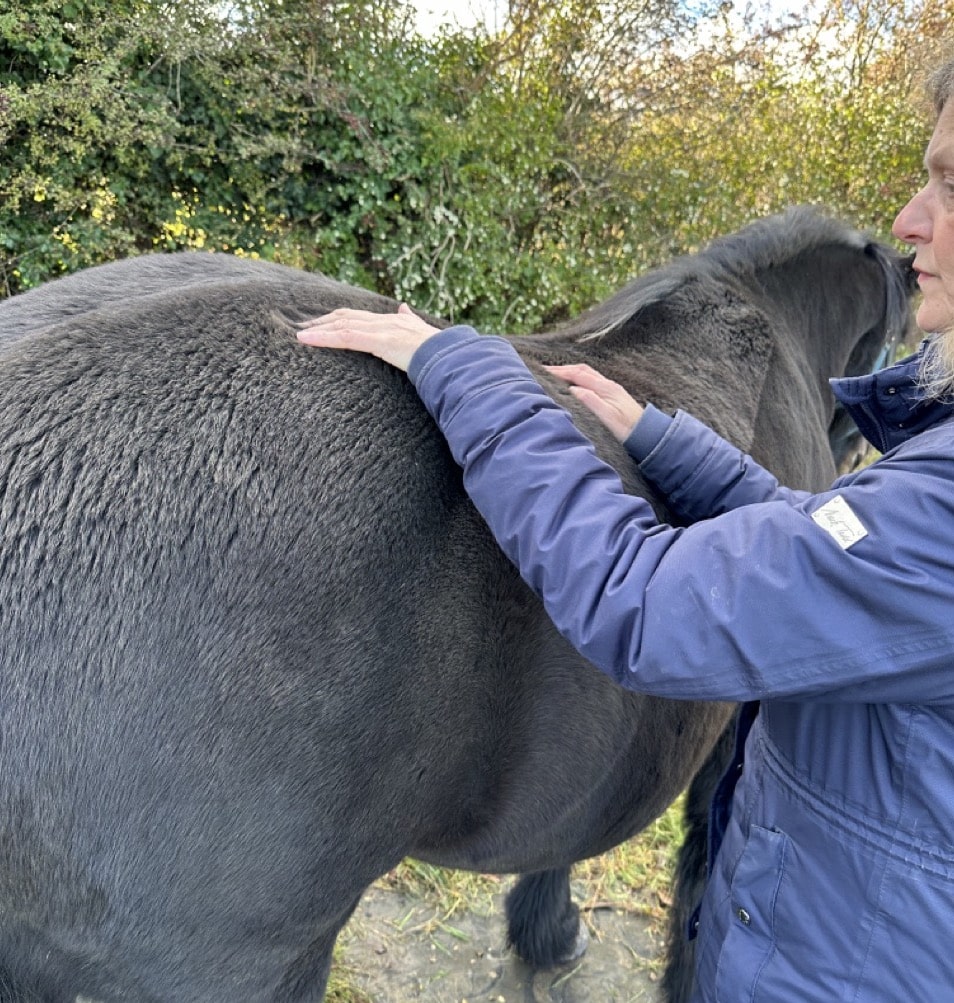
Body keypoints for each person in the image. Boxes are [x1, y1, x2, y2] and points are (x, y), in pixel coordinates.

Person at [296, 59, 954, 1001]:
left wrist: (466, 367)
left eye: (951, 184)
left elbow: (640, 601)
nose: (909, 220)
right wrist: (669, 444)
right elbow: (830, 548)